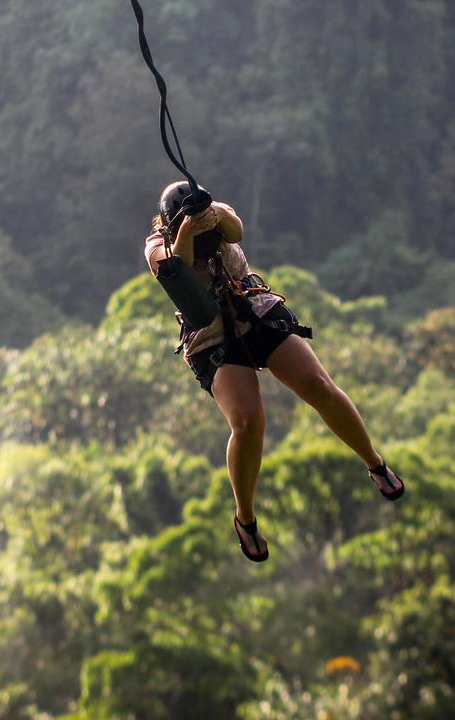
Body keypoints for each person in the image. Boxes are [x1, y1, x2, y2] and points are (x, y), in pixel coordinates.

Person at [145, 181, 404, 562]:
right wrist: (187, 230)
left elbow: (235, 228)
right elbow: (177, 271)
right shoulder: (157, 245)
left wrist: (210, 214)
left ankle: (375, 464)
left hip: (255, 310)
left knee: (317, 384)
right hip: (211, 336)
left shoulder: (215, 213)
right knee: (248, 422)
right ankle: (245, 518)